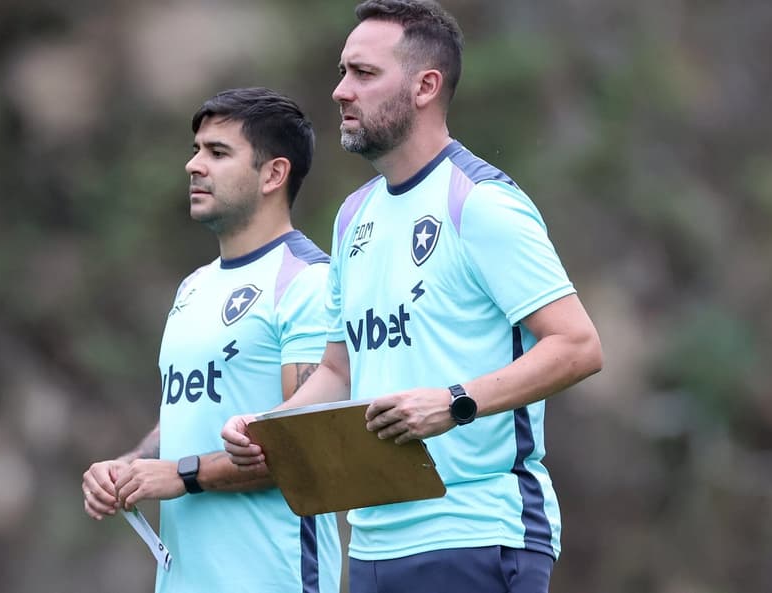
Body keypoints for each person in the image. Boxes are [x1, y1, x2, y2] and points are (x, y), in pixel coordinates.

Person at [222, 2, 603, 593]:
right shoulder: (353, 216)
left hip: (478, 533)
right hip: (373, 544)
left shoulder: (479, 203)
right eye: (343, 72)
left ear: (426, 86)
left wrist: (454, 402)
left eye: (364, 74)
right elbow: (337, 369)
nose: (341, 91)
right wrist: (268, 426)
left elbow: (578, 345)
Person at [82, 87, 341, 593]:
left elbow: (310, 447)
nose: (194, 165)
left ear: (273, 174)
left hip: (274, 578)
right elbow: (190, 411)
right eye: (196, 149)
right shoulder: (194, 287)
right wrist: (130, 467)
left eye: (218, 153)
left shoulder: (307, 281)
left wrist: (182, 474)